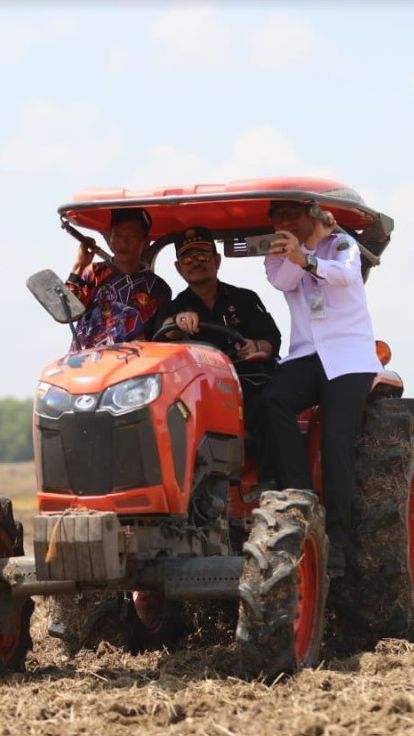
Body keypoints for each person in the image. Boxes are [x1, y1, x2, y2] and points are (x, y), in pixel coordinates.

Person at [260, 200, 382, 577]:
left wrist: (311, 254)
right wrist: (301, 252)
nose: (284, 224)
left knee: (335, 440)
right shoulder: (275, 255)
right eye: (277, 218)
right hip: (307, 354)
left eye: (291, 216)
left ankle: (340, 542)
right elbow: (282, 281)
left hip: (348, 355)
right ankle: (299, 503)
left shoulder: (343, 244)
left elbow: (347, 275)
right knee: (271, 400)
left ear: (313, 216)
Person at [157, 226, 281, 466]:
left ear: (216, 260)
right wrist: (177, 323)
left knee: (271, 404)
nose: (196, 263)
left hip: (246, 382)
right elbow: (161, 335)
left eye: (203, 256)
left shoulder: (245, 299)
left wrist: (256, 346)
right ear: (178, 268)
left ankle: (271, 483)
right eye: (188, 258)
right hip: (198, 390)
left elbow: (271, 341)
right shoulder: (174, 307)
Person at [66, 207, 171, 349]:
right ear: (110, 238)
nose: (123, 243)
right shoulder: (93, 272)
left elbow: (162, 335)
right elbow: (67, 313)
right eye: (117, 235)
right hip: (87, 363)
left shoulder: (158, 288)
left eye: (131, 236)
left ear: (145, 242)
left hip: (134, 366)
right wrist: (80, 265)